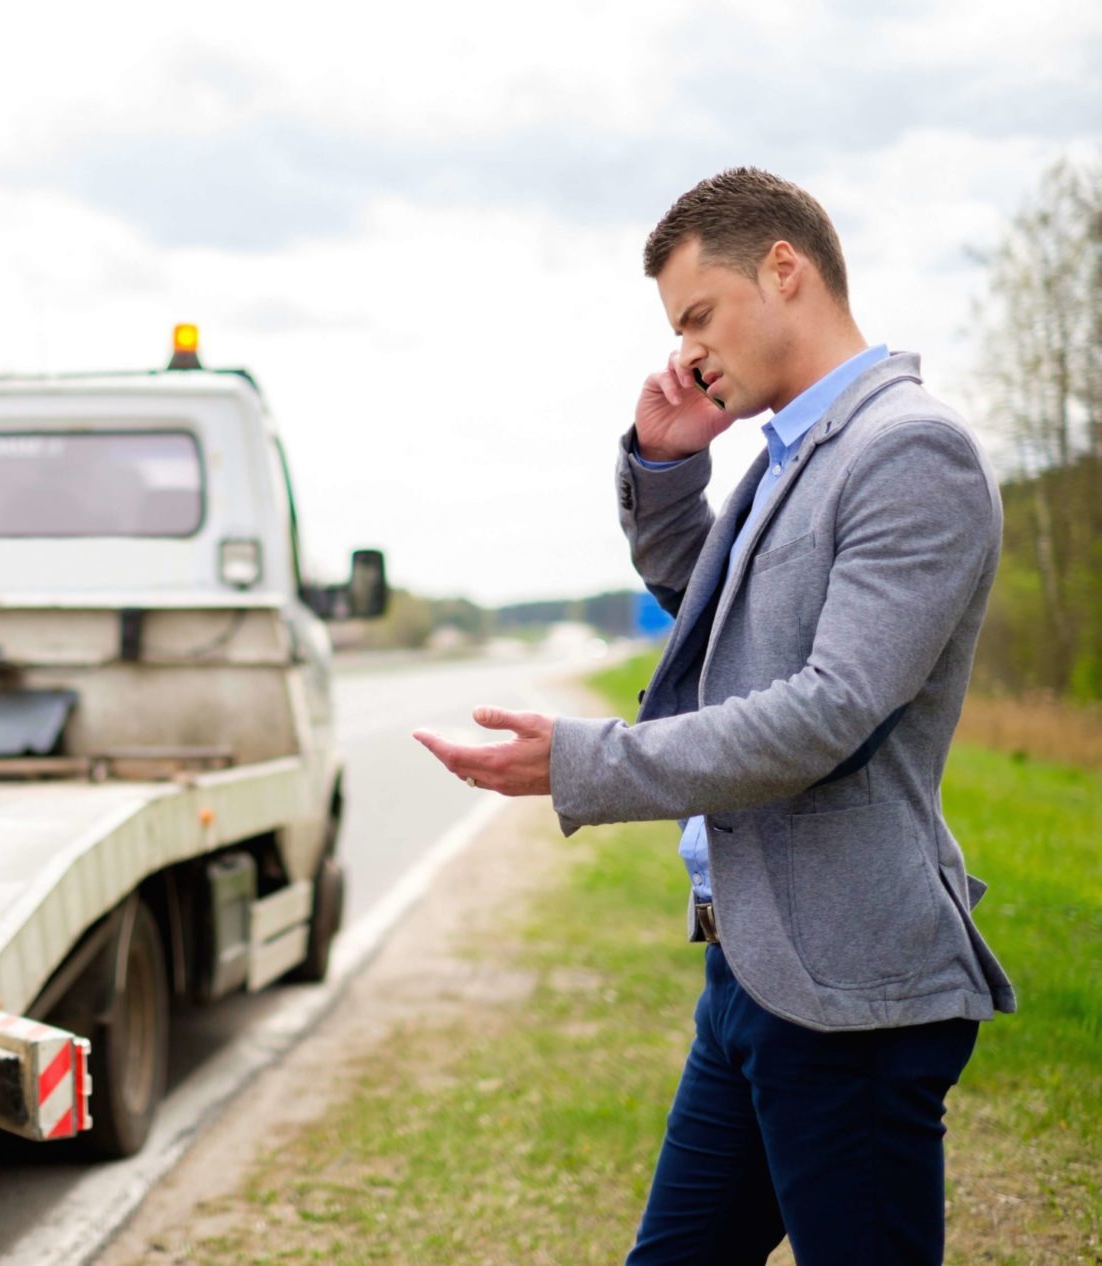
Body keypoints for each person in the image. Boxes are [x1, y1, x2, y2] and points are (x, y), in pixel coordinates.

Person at [413, 167, 1014, 1266]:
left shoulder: (906, 451)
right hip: (751, 968)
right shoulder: (792, 450)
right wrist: (667, 465)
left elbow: (823, 713)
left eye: (697, 315)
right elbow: (720, 617)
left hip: (850, 994)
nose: (685, 350)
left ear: (782, 269)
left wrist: (584, 763)